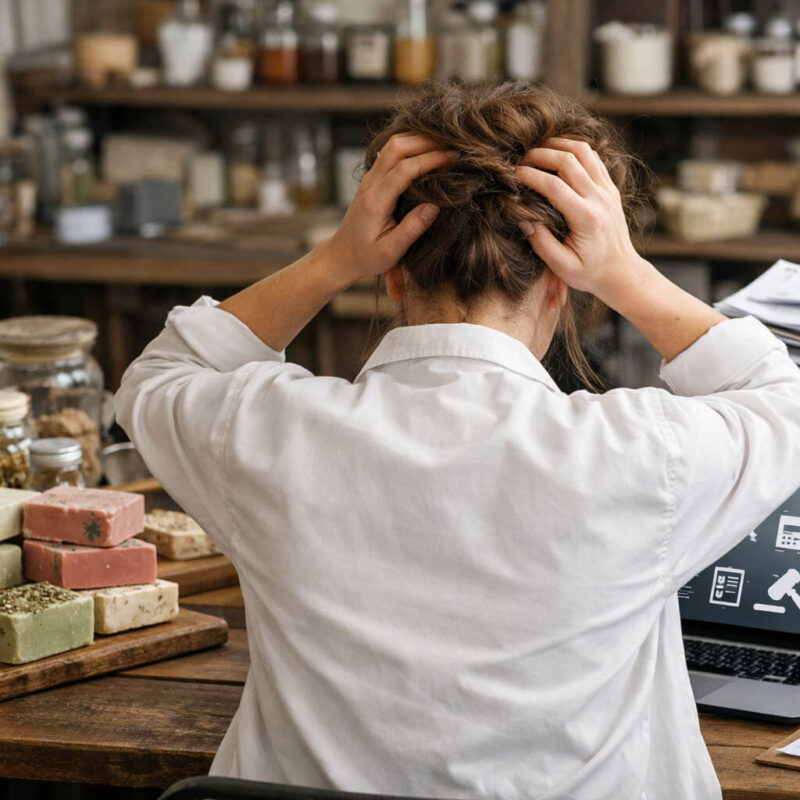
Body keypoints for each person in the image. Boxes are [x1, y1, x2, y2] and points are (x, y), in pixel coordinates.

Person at [116, 83, 800, 800]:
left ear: (392, 271)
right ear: (565, 283)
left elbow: (166, 369)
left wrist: (332, 259)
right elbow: (781, 394)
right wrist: (625, 273)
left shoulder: (261, 431)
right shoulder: (646, 455)